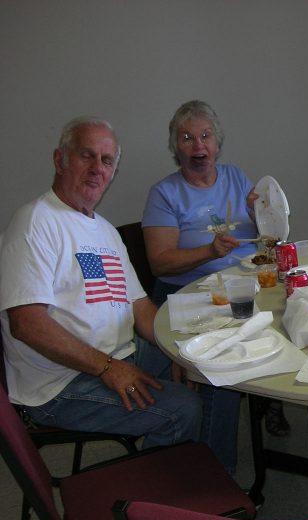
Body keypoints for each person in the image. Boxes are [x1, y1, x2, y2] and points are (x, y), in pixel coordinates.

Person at [0, 117, 203, 459]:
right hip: (60, 384)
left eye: (106, 161)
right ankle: (151, 507)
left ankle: (210, 470)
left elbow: (140, 307)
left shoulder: (105, 230)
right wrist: (108, 368)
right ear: (59, 159)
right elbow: (27, 324)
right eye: (86, 155)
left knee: (203, 366)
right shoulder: (35, 223)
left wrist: (177, 350)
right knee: (182, 407)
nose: (97, 168)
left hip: (118, 352)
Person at [142, 100, 288, 439]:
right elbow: (159, 262)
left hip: (244, 285)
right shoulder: (164, 193)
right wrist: (209, 251)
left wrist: (261, 215)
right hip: (188, 293)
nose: (198, 145)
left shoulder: (236, 176)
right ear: (175, 147)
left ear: (217, 143)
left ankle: (273, 391)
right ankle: (220, 470)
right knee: (221, 372)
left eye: (205, 136)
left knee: (292, 313)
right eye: (187, 138)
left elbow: (265, 234)